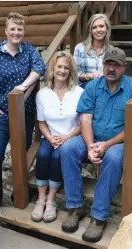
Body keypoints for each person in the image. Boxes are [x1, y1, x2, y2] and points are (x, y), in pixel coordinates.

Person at [60, 47, 132, 243]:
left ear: (124, 67)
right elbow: (85, 119)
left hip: (117, 142)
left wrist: (107, 145)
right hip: (91, 138)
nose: (111, 68)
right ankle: (75, 207)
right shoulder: (92, 87)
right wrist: (92, 145)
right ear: (103, 65)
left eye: (116, 65)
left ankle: (99, 217)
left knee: (113, 157)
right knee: (68, 148)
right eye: (108, 64)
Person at [0, 12, 46, 215]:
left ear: (23, 31)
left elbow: (39, 67)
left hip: (25, 114)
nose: (16, 33)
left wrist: (22, 86)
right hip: (1, 114)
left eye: (20, 29)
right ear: (6, 31)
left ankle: (20, 193)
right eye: (13, 29)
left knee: (22, 157)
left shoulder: (29, 51)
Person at [31, 51, 84, 223]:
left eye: (66, 68)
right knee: (43, 155)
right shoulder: (43, 94)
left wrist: (67, 136)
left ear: (71, 71)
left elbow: (84, 123)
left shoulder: (79, 93)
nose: (62, 70)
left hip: (71, 137)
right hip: (50, 136)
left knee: (56, 157)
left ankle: (52, 200)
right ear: (52, 69)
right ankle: (41, 199)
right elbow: (42, 123)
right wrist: (50, 137)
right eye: (59, 66)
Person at [74, 13, 112, 89]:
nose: (98, 30)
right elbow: (74, 75)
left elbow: (115, 73)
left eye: (101, 26)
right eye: (94, 27)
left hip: (105, 87)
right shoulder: (80, 48)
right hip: (84, 87)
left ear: (107, 28)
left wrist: (104, 74)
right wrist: (89, 76)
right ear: (90, 31)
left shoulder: (111, 51)